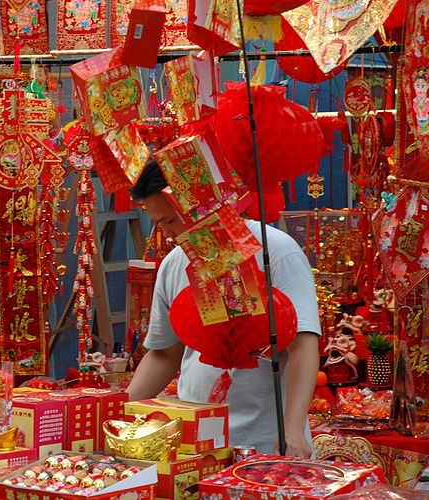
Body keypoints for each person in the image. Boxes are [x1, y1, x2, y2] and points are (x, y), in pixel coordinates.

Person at [126, 159, 320, 458]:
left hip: (266, 441)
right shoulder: (174, 264)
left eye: (168, 221)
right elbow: (165, 353)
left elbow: (303, 346)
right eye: (158, 223)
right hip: (195, 439)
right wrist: (120, 412)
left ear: (196, 205)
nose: (165, 234)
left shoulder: (275, 251)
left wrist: (292, 430)